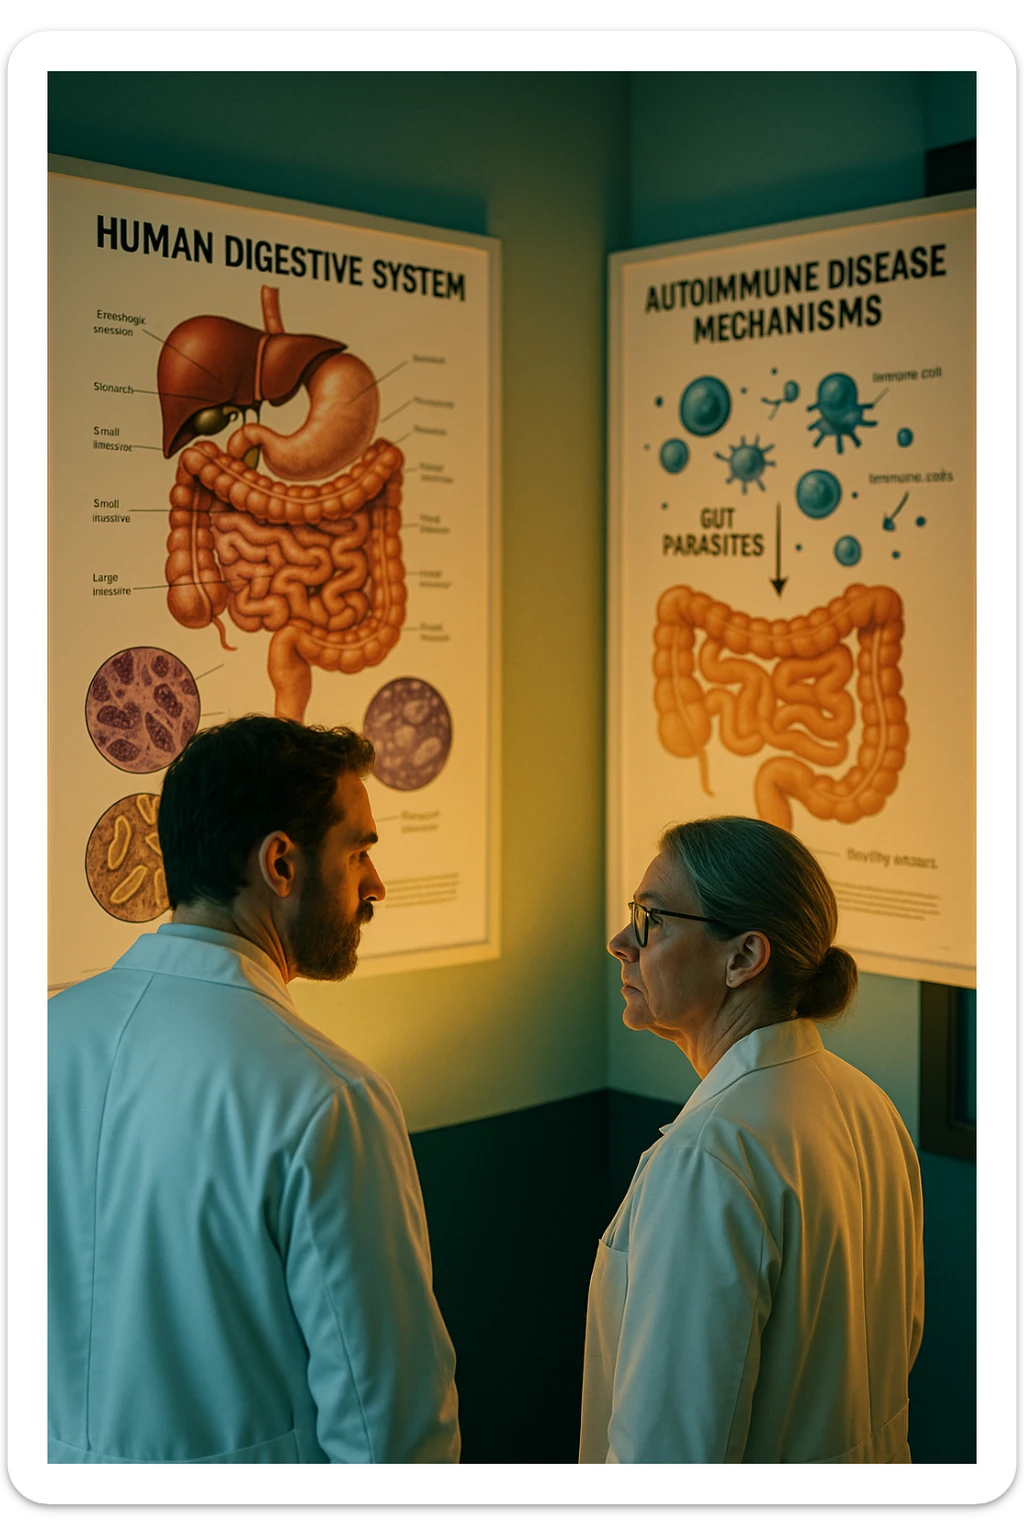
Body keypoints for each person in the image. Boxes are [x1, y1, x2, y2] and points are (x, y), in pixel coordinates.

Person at [48, 715, 460, 1464]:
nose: (377, 885)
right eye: (359, 851)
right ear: (280, 865)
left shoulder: (42, 1041)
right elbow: (389, 1434)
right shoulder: (327, 1097)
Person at [581, 815, 924, 1465]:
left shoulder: (708, 1158)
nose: (621, 941)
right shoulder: (869, 1106)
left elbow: (669, 1454)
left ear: (742, 958)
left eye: (651, 919)